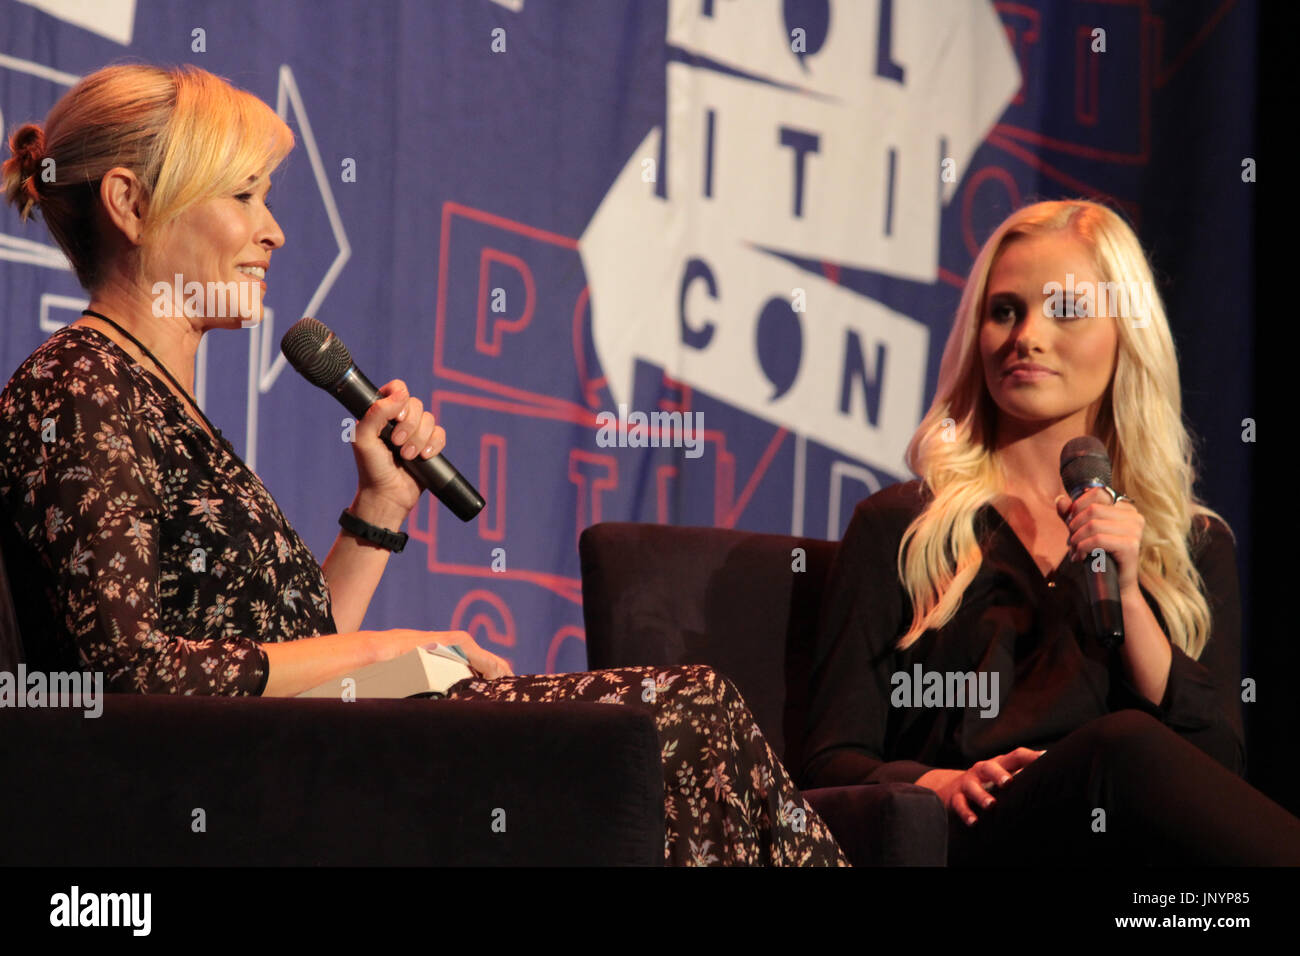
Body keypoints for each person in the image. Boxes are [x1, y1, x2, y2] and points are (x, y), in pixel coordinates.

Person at [0, 63, 847, 866]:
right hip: (242, 796)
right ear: (130, 204)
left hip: (300, 759)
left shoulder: (150, 393)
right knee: (686, 713)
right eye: (244, 193)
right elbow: (133, 672)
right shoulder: (79, 384)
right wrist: (392, 650)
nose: (274, 228)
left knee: (694, 716)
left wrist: (381, 505)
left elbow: (288, 655)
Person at [800, 198, 1300, 865]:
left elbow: (1213, 767)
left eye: (1064, 309)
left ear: (1125, 333)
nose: (1026, 335)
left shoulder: (1193, 543)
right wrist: (934, 783)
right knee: (1120, 745)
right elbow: (830, 762)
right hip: (982, 840)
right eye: (1005, 311)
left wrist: (1127, 595)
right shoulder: (903, 526)